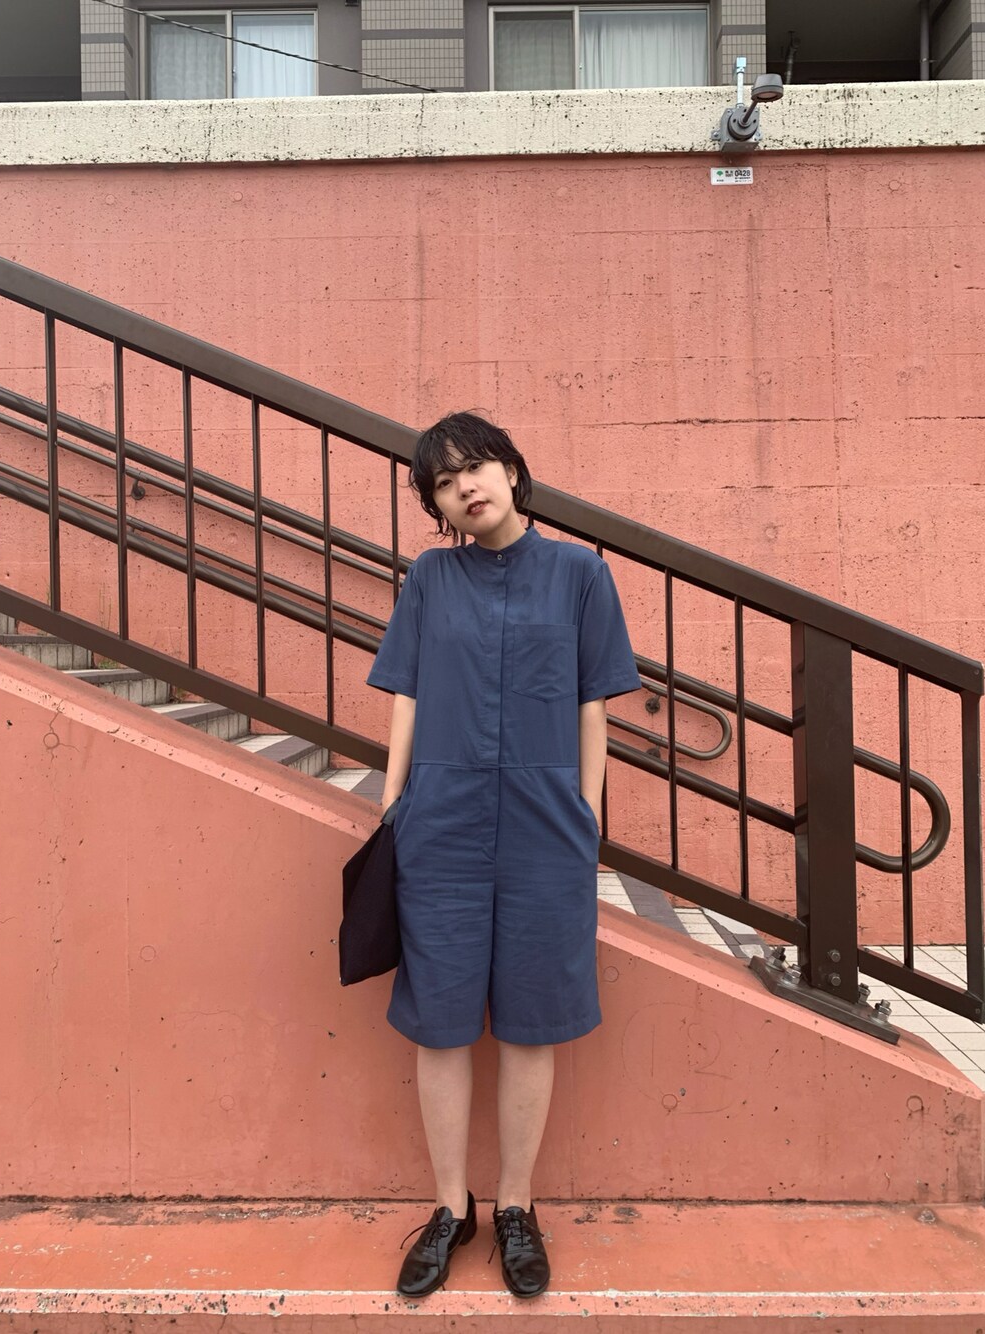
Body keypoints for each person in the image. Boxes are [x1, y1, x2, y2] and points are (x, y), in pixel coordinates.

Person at [365, 412, 640, 1299]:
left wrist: (585, 813)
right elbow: (407, 689)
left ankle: (516, 1206)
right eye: (444, 484)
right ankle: (452, 1210)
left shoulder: (580, 573)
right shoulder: (431, 578)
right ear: (437, 506)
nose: (464, 489)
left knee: (532, 1018)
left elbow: (594, 700)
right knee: (440, 1019)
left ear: (513, 471)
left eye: (475, 468)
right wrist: (393, 799)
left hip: (546, 823)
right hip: (440, 819)